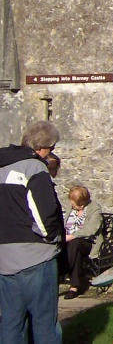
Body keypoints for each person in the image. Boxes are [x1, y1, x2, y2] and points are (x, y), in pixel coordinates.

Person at [0, 121, 64, 344]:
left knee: (10, 324)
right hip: (35, 257)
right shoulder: (34, 168)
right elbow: (45, 215)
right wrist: (53, 239)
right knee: (45, 324)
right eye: (52, 148)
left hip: (4, 259)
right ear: (43, 148)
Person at [60, 187, 102, 300]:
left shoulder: (94, 208)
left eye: (74, 203)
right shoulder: (71, 207)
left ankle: (61, 277)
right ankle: (74, 287)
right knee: (73, 250)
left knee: (74, 244)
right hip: (70, 243)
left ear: (82, 203)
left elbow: (91, 229)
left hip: (87, 242)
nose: (71, 204)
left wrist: (72, 236)